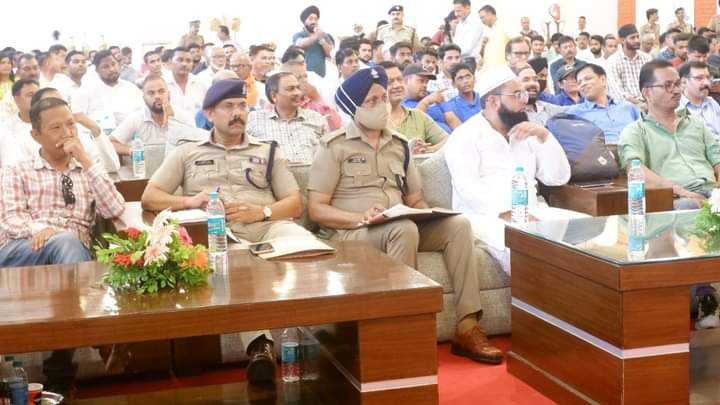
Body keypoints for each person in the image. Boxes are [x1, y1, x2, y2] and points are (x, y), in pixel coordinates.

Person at [308, 67, 503, 365]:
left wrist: (426, 213)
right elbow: (317, 208)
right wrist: (359, 216)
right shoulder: (334, 146)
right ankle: (402, 333)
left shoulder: (399, 145)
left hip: (398, 222)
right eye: (372, 101)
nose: (382, 105)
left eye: (383, 98)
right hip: (354, 232)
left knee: (458, 225)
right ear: (354, 108)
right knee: (404, 229)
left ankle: (467, 327)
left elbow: (415, 199)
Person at [141, 79, 313, 385]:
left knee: (307, 247)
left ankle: (324, 340)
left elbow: (295, 203)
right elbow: (150, 197)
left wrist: (262, 211)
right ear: (209, 113)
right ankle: (260, 346)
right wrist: (189, 201)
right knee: (234, 263)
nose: (237, 113)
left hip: (267, 226)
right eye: (229, 106)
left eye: (242, 106)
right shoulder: (187, 152)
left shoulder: (268, 150)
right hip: (220, 235)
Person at [0, 97, 125, 397]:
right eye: (56, 127)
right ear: (35, 135)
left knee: (68, 251)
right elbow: (10, 220)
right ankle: (99, 337)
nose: (67, 132)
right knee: (67, 242)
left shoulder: (87, 170)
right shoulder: (18, 170)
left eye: (70, 124)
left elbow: (115, 209)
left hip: (71, 258)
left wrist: (88, 162)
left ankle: (60, 372)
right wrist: (46, 231)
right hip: (22, 251)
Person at [443, 64, 572, 275]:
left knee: (582, 231)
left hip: (532, 211)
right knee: (524, 244)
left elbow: (557, 178)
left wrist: (545, 136)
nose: (524, 100)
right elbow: (467, 187)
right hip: (484, 218)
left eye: (524, 94)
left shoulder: (527, 132)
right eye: (517, 95)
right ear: (493, 101)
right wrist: (508, 213)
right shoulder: (465, 135)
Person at [619, 59, 720, 210]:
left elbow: (717, 158)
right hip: (675, 197)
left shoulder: (696, 124)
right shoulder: (635, 131)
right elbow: (636, 170)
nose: (677, 90)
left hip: (712, 192)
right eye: (668, 85)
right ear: (647, 92)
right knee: (688, 205)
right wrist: (680, 191)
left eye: (677, 84)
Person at [110, 75, 205, 163]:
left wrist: (173, 122)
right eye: (151, 93)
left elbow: (195, 148)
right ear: (144, 98)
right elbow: (111, 142)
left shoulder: (185, 117)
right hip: (146, 172)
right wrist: (132, 151)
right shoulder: (136, 118)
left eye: (161, 91)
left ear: (169, 94)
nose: (157, 96)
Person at [246, 72, 329, 164]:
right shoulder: (254, 120)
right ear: (274, 95)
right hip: (271, 172)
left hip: (311, 172)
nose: (298, 93)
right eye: (290, 89)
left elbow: (329, 155)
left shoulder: (316, 118)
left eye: (298, 88)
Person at [71, 50, 143, 135]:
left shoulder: (131, 88)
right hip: (99, 138)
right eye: (105, 67)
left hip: (133, 137)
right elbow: (77, 116)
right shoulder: (86, 90)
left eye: (113, 64)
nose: (112, 69)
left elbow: (142, 113)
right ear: (97, 70)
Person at [381, 61, 448, 153]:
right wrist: (407, 152)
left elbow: (449, 140)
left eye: (399, 80)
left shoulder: (418, 115)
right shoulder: (373, 120)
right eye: (389, 82)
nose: (397, 85)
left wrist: (430, 149)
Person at [567, 63, 640, 144]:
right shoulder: (574, 113)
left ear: (603, 80)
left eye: (587, 79)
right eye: (579, 82)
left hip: (634, 147)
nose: (583, 84)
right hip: (601, 150)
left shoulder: (627, 107)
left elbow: (645, 132)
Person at [607, 24, 651, 106]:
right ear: (622, 40)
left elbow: (653, 83)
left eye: (638, 37)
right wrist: (639, 104)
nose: (637, 40)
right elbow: (617, 93)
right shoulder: (612, 61)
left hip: (649, 102)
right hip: (626, 106)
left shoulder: (647, 58)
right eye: (632, 38)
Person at [401, 63, 451, 133]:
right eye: (421, 81)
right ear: (406, 81)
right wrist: (426, 102)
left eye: (426, 82)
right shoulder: (399, 103)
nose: (425, 85)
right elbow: (412, 126)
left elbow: (451, 119)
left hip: (450, 137)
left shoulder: (432, 94)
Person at [678, 61, 720, 140]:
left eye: (708, 78)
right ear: (684, 82)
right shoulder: (677, 107)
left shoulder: (712, 103)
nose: (706, 83)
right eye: (699, 78)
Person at [163, 47, 207, 116]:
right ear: (170, 62)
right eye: (180, 60)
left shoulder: (201, 83)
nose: (184, 64)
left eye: (188, 61)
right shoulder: (162, 84)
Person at [293, 5, 335, 78]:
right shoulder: (299, 35)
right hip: (304, 76)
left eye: (316, 19)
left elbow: (330, 53)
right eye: (310, 19)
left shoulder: (323, 35)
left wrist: (322, 40)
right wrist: (316, 36)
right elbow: (299, 44)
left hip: (321, 76)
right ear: (304, 21)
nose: (313, 21)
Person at [442, 63, 481, 128]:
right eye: (460, 78)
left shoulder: (485, 98)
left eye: (468, 76)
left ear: (474, 79)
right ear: (453, 84)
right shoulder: (450, 107)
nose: (465, 81)